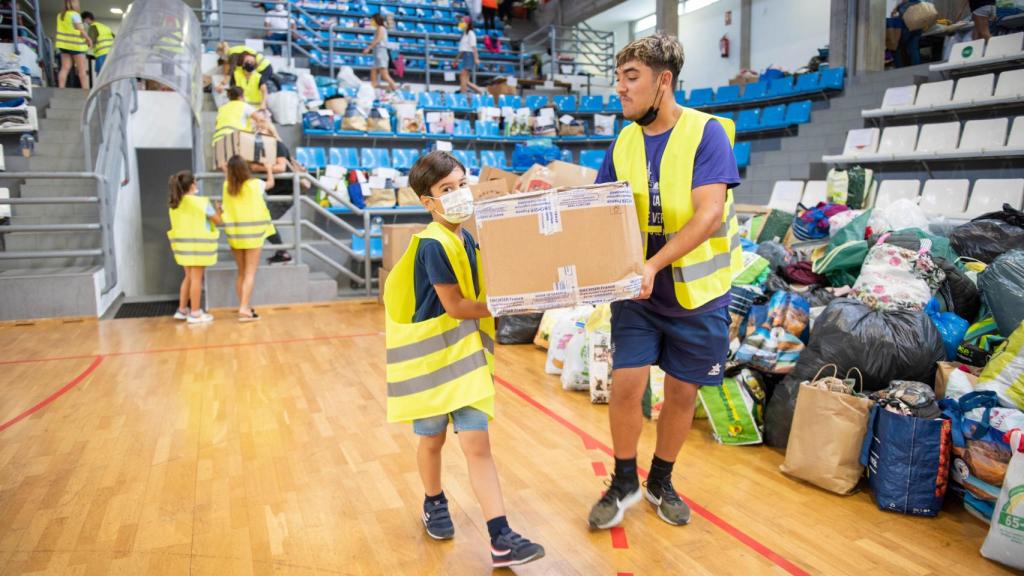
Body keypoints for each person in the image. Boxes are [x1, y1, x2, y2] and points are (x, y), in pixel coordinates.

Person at [586, 33, 741, 530]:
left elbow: (709, 215)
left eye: (631, 77)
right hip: (639, 292)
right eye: (618, 78)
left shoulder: (707, 133)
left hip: (697, 295)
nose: (621, 88)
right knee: (626, 384)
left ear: (664, 81)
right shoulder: (624, 140)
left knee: (680, 394)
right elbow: (601, 210)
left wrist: (654, 265)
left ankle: (661, 480)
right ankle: (624, 480)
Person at [383, 151, 544, 569]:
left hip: (466, 360)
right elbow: (455, 306)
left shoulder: (468, 238)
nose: (458, 194)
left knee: (477, 445)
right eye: (446, 189)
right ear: (428, 201)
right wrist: (506, 305)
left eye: (461, 184)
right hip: (432, 364)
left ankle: (500, 537)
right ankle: (434, 501)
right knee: (432, 440)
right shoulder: (432, 245)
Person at [222, 155, 275, 321]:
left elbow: (230, 180)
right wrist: (269, 168)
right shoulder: (255, 184)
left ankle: (244, 305)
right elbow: (270, 183)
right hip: (253, 235)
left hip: (235, 235)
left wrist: (226, 171)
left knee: (241, 273)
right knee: (250, 273)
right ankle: (244, 308)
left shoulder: (227, 186)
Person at [168, 170, 222, 325]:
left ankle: (182, 310)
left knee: (189, 277)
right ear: (192, 184)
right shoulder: (202, 202)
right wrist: (219, 210)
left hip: (183, 247)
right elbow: (218, 221)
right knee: (197, 278)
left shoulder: (175, 204)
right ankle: (195, 313)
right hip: (199, 246)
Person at [250, 109, 303, 265]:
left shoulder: (277, 145)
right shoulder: (258, 149)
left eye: (262, 127)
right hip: (274, 193)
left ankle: (283, 253)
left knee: (262, 220)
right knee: (262, 220)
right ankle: (281, 252)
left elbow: (280, 167)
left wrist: (258, 168)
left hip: (285, 193)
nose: (258, 130)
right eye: (257, 128)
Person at [55, 0, 92, 90]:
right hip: (76, 46)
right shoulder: (74, 14)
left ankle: (61, 90)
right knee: (82, 70)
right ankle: (85, 92)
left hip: (64, 46)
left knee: (64, 68)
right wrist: (88, 39)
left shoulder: (60, 15)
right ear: (74, 3)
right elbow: (80, 30)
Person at [363, 13, 398, 92]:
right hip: (377, 53)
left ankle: (395, 88)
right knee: (373, 73)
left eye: (372, 20)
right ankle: (373, 89)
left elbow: (377, 40)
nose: (371, 22)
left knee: (384, 75)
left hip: (381, 53)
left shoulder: (381, 28)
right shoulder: (379, 28)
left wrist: (369, 48)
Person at [456, 18, 483, 94]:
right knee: (466, 80)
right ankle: (480, 92)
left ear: (467, 23)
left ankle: (463, 93)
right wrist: (456, 59)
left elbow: (474, 47)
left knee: (462, 75)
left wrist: (476, 58)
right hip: (466, 56)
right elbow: (463, 49)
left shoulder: (471, 33)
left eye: (462, 22)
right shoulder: (464, 34)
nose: (460, 23)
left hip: (469, 55)